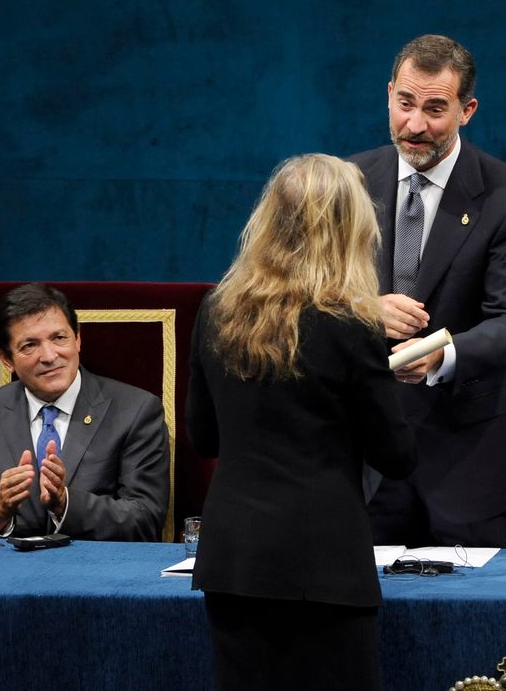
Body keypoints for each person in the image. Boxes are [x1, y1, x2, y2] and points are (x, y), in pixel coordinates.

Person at [185, 154, 415, 690]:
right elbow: (396, 457)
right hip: (326, 566)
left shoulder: (215, 310)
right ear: (348, 230)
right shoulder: (352, 325)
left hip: (234, 562)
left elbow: (204, 437)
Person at [349, 34, 506, 549]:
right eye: (405, 103)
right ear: (390, 93)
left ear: (467, 110)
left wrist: (440, 356)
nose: (415, 125)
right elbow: (302, 299)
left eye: (435, 109)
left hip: (467, 464)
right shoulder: (347, 181)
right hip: (361, 461)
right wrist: (363, 311)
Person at [0, 284, 170, 541]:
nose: (48, 356)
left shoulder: (135, 411)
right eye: (29, 345)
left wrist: (66, 503)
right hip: (5, 576)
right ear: (6, 359)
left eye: (59, 338)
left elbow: (145, 520)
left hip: (97, 575)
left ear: (78, 339)